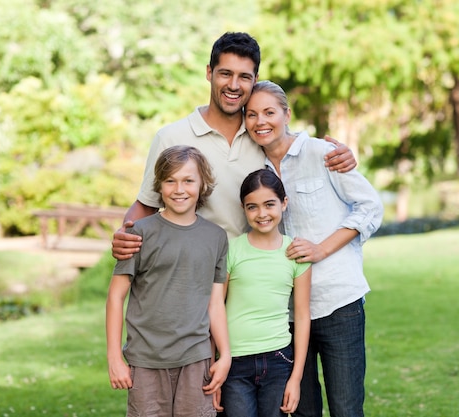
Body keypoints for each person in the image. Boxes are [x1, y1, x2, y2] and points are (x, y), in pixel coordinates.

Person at [111, 31, 357, 259]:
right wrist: (126, 234)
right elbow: (146, 204)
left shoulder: (262, 135)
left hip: (253, 276)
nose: (233, 85)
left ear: (255, 80)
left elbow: (299, 154)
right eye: (225, 74)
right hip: (195, 274)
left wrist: (341, 155)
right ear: (209, 72)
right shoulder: (171, 137)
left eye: (244, 77)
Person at [243, 80, 384, 417]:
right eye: (251, 115)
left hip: (338, 303)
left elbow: (370, 207)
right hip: (286, 314)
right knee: (301, 410)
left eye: (269, 112)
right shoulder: (249, 168)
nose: (260, 121)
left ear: (287, 114)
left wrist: (321, 249)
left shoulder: (322, 154)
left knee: (346, 408)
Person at [106, 145, 230, 417]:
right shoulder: (139, 233)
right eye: (170, 180)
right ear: (159, 185)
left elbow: (215, 303)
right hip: (146, 358)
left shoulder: (216, 238)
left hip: (196, 359)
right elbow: (116, 297)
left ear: (202, 184)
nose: (179, 189)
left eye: (188, 180)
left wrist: (225, 355)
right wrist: (115, 357)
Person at [220, 169, 311, 417]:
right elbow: (215, 307)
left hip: (279, 359)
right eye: (252, 207)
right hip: (235, 362)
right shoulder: (232, 250)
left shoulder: (296, 253)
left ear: (284, 203)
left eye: (269, 204)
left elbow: (302, 316)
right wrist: (215, 362)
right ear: (243, 208)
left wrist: (296, 378)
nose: (262, 214)